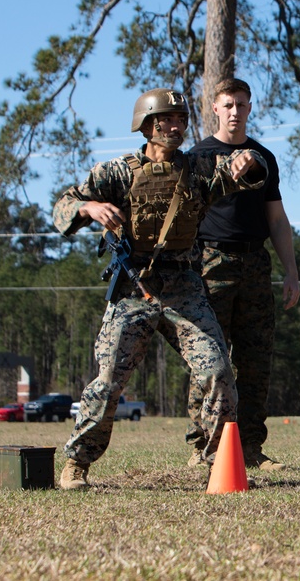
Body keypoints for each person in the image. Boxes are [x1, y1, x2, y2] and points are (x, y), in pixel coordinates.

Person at [53, 87, 267, 490]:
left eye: (181, 120)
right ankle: (76, 463)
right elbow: (63, 204)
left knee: (219, 372)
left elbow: (249, 176)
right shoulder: (116, 172)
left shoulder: (199, 168)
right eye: (167, 119)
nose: (176, 126)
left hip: (184, 286)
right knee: (109, 381)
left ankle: (218, 464)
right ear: (147, 125)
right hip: (135, 288)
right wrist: (89, 208)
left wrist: (249, 161)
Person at [186, 78, 300, 471]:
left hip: (255, 265)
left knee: (255, 361)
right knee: (209, 360)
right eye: (228, 104)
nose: (235, 111)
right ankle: (204, 446)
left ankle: (251, 447)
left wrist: (291, 273)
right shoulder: (197, 158)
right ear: (215, 108)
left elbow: (277, 220)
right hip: (209, 265)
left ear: (250, 108)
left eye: (242, 105)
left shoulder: (263, 157)